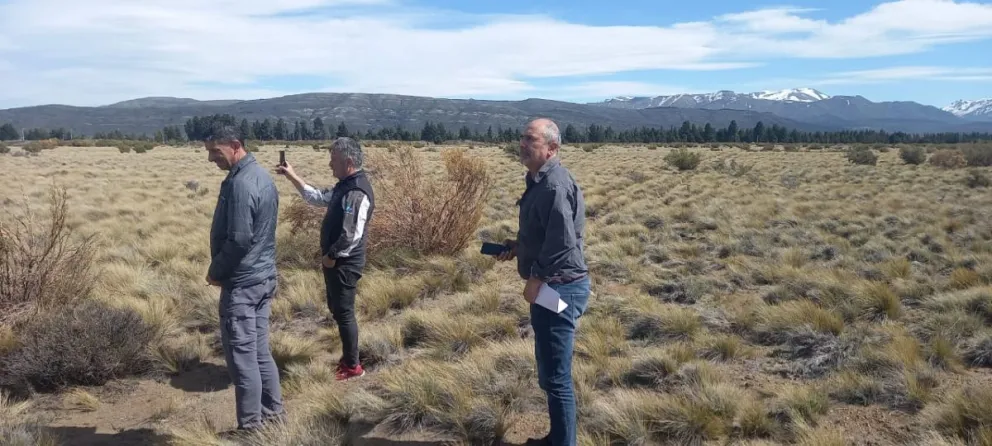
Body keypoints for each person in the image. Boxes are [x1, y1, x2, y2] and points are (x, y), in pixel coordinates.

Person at [496, 118, 590, 446]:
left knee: (557, 377)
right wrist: (517, 247)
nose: (522, 143)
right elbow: (547, 235)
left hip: (558, 286)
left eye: (530, 139)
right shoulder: (539, 180)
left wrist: (535, 278)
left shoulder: (553, 185)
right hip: (555, 284)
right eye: (521, 137)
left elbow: (562, 243)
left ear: (551, 148)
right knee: (551, 372)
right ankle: (557, 438)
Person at [204, 125, 285, 432]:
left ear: (235, 145)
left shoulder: (241, 184)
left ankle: (252, 429)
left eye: (216, 151)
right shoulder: (261, 176)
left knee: (243, 360)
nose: (212, 158)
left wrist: (215, 272)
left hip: (243, 284)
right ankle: (274, 419)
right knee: (259, 352)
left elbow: (239, 240)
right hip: (263, 278)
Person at [275, 136, 374, 381]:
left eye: (334, 160)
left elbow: (351, 235)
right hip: (336, 262)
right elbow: (317, 198)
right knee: (338, 310)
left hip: (344, 263)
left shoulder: (356, 191)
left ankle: (353, 366)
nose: (330, 165)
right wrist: (292, 176)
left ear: (348, 162)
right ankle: (349, 358)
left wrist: (331, 256)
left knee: (345, 312)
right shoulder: (344, 184)